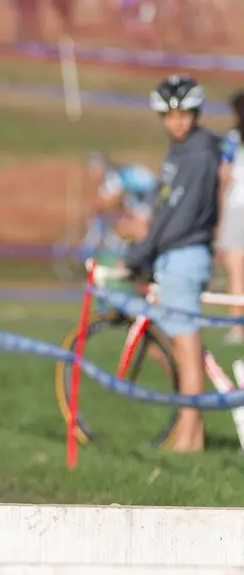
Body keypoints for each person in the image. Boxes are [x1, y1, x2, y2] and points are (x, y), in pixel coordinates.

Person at [118, 75, 221, 452]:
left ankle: (189, 438)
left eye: (184, 114)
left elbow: (174, 216)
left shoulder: (195, 155)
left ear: (196, 113)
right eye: (170, 114)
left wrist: (140, 254)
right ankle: (189, 431)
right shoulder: (187, 151)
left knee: (188, 352)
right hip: (176, 256)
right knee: (183, 350)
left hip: (183, 256)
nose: (177, 121)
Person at [217, 91, 244, 344]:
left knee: (237, 273)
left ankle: (238, 326)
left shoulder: (232, 140)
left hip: (237, 209)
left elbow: (224, 176)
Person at [85, 151, 158, 245]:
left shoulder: (112, 175)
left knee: (130, 225)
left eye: (94, 168)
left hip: (149, 195)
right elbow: (105, 199)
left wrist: (94, 208)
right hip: (140, 196)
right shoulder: (111, 175)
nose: (91, 172)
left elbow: (111, 200)